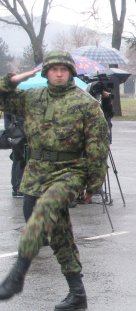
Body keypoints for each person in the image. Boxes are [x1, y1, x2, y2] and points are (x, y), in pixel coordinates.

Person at [0, 50, 109, 310]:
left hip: (70, 171)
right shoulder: (32, 97)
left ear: (70, 72)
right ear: (46, 72)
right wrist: (14, 79)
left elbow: (98, 146)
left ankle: (17, 274)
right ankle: (77, 294)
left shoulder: (86, 104)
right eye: (53, 69)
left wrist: (94, 184)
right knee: (58, 232)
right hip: (37, 172)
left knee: (45, 210)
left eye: (64, 69)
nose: (59, 73)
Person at [3, 113, 26, 197]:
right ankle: (18, 187)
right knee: (20, 159)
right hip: (20, 131)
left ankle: (17, 187)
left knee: (17, 158)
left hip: (17, 130)